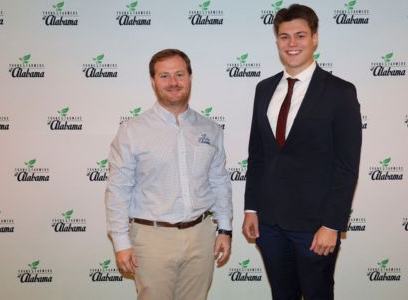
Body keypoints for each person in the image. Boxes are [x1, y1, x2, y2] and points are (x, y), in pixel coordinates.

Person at [242, 4, 362, 300]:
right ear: (277, 42)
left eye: (300, 35)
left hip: (315, 226)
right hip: (269, 226)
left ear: (315, 38)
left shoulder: (340, 92)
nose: (292, 44)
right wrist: (251, 208)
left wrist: (332, 225)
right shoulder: (264, 88)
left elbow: (347, 166)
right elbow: (257, 156)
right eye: (284, 37)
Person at [105, 49, 233, 300]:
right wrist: (121, 243)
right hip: (151, 239)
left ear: (190, 77)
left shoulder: (211, 129)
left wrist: (225, 230)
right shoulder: (132, 131)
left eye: (179, 74)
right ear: (153, 81)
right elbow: (118, 189)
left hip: (201, 236)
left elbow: (219, 181)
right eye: (164, 76)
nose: (173, 82)